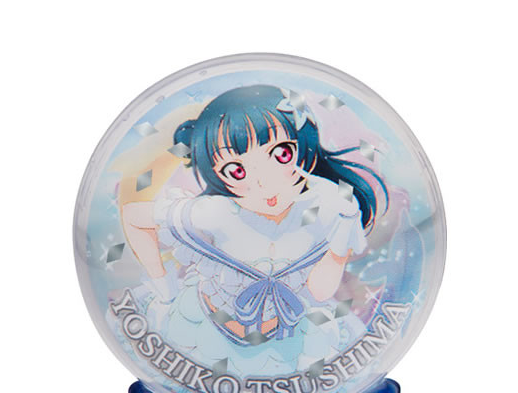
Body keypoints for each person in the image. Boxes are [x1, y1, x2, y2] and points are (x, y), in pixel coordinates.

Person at [119, 85, 387, 377]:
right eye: (237, 171)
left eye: (281, 154)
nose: (264, 183)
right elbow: (134, 217)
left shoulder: (321, 211)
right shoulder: (216, 212)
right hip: (206, 326)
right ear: (216, 174)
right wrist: (162, 284)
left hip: (291, 333)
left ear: (304, 150)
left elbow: (320, 291)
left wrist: (339, 239)